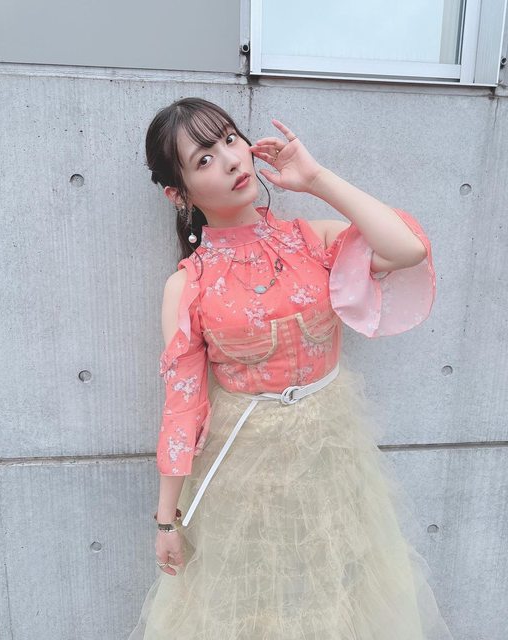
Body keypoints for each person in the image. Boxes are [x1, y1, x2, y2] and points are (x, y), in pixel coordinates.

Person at [127, 97, 453, 639]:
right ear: (178, 194)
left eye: (230, 140)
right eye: (204, 159)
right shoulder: (188, 285)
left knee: (338, 596)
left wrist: (316, 179)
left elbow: (407, 249)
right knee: (249, 607)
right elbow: (183, 408)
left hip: (331, 453)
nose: (231, 160)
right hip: (241, 471)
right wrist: (167, 520)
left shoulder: (313, 240)